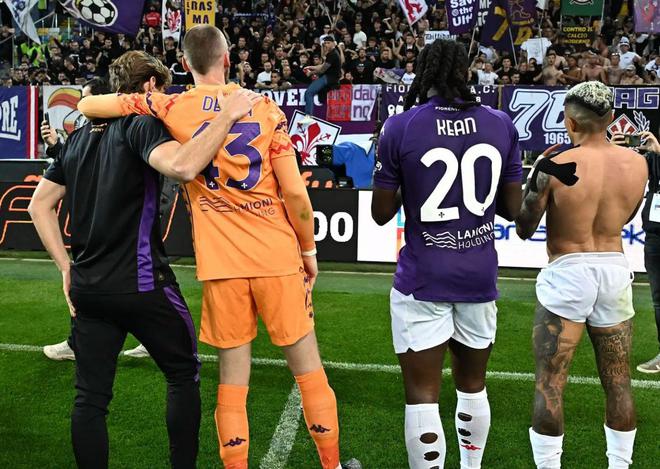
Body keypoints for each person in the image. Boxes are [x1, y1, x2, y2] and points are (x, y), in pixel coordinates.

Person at [77, 25, 360, 469]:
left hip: (221, 264)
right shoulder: (264, 107)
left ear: (185, 64)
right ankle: (332, 465)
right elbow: (295, 194)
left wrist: (115, 100)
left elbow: (88, 104)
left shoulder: (170, 104)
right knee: (308, 371)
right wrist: (308, 252)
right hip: (276, 256)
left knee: (232, 383)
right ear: (228, 60)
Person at [29, 50, 259, 469]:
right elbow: (184, 167)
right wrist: (227, 116)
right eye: (162, 87)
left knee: (90, 398)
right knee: (182, 374)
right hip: (143, 285)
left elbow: (38, 205)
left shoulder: (76, 138)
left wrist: (65, 267)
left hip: (89, 289)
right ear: (150, 86)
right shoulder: (141, 125)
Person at [371, 38, 523, 469]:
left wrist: (410, 181)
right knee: (473, 385)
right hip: (479, 273)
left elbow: (381, 213)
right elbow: (513, 209)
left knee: (422, 395)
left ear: (423, 74)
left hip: (423, 276)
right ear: (465, 72)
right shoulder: (500, 123)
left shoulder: (402, 126)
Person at [516, 82, 647, 469]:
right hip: (614, 268)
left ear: (570, 122)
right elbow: (627, 217)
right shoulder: (637, 164)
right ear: (610, 119)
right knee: (618, 380)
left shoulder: (554, 164)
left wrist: (537, 178)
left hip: (568, 270)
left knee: (550, 383)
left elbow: (524, 226)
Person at [611, 130, 660, 374]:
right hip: (654, 236)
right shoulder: (651, 159)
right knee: (659, 299)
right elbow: (622, 179)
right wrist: (612, 152)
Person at [302, 35, 342, 121]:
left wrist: (310, 73)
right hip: (329, 77)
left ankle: (308, 116)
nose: (326, 45)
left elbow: (322, 70)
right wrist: (310, 67)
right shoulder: (332, 53)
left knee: (309, 93)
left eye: (328, 43)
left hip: (330, 78)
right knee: (311, 93)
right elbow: (322, 65)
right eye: (325, 43)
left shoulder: (332, 54)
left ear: (333, 43)